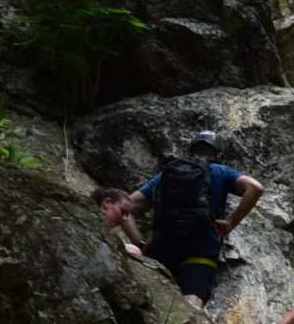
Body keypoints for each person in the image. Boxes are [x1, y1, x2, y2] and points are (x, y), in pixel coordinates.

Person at [92, 131, 264, 309]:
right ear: (217, 154)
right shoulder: (221, 171)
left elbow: (127, 207)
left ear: (191, 149)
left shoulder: (167, 173)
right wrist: (230, 223)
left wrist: (140, 243)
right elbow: (256, 188)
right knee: (193, 301)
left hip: (164, 244)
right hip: (201, 246)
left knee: (155, 297)